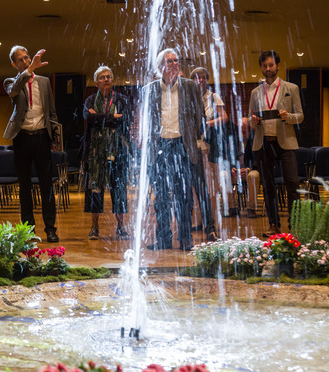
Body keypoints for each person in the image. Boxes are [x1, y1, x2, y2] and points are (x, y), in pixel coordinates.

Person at [145, 48, 204, 251]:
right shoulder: (150, 89)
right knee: (161, 197)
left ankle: (185, 238)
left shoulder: (190, 87)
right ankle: (163, 239)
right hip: (160, 146)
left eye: (176, 61)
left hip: (181, 145)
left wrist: (191, 137)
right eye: (169, 62)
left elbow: (199, 116)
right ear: (160, 67)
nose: (174, 64)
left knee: (183, 197)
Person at [3, 45, 59, 243]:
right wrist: (28, 71)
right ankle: (28, 231)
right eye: (21, 60)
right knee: (25, 186)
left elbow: (51, 112)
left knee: (46, 185)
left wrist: (55, 139)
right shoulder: (11, 81)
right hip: (22, 137)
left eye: (27, 58)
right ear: (14, 64)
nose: (26, 61)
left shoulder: (44, 82)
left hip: (42, 136)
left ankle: (51, 229)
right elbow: (13, 93)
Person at [249, 50, 304, 237]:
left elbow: (301, 117)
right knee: (269, 187)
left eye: (271, 65)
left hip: (286, 143)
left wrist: (287, 116)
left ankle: (294, 225)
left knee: (292, 185)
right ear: (262, 68)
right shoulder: (255, 92)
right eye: (265, 66)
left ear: (278, 66)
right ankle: (273, 225)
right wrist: (253, 121)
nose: (268, 69)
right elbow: (250, 118)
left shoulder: (292, 88)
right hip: (263, 143)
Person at [82, 66, 131, 240]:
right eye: (102, 77)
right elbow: (88, 118)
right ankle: (94, 227)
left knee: (118, 190)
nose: (106, 79)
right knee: (95, 189)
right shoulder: (89, 100)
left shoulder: (122, 99)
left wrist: (100, 116)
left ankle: (121, 226)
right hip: (95, 153)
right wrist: (112, 117)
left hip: (118, 151)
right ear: (96, 82)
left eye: (109, 76)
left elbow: (125, 118)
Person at [190, 67, 238, 218]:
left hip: (209, 146)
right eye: (197, 77)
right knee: (194, 186)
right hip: (193, 145)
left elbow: (224, 118)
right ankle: (197, 220)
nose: (201, 80)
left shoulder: (213, 97)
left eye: (204, 77)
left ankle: (212, 219)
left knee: (210, 185)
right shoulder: (188, 97)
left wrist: (208, 123)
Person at [232, 117, 261, 218]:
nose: (242, 134)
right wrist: (232, 168)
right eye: (241, 131)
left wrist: (248, 169)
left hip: (251, 170)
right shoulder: (233, 140)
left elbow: (259, 160)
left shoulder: (256, 139)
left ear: (249, 129)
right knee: (224, 174)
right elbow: (227, 157)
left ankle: (251, 208)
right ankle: (232, 208)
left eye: (244, 131)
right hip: (236, 172)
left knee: (253, 176)